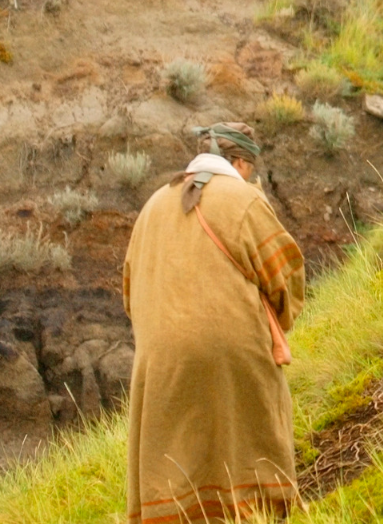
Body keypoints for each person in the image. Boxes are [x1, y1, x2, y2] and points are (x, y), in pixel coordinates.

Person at [122, 123, 305, 523]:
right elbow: (286, 276)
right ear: (240, 162)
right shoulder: (242, 198)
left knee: (174, 463)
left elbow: (129, 292)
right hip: (230, 351)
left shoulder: (152, 205)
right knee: (248, 448)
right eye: (249, 169)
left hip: (158, 361)